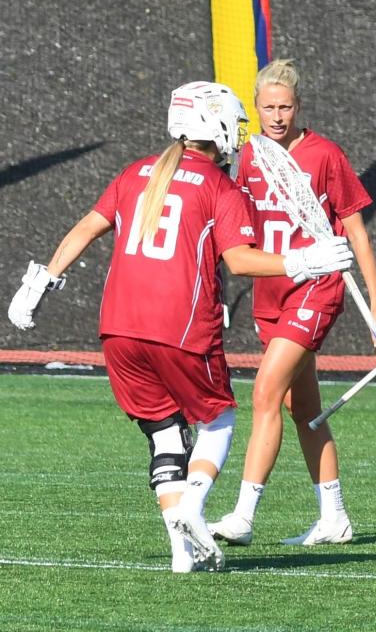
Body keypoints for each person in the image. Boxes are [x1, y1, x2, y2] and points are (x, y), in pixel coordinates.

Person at [6, 82, 352, 572]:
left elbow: (87, 226)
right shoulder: (218, 186)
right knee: (219, 422)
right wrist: (304, 259)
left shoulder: (135, 173)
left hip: (118, 329)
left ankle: (180, 554)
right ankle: (194, 504)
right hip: (181, 327)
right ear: (217, 125)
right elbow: (240, 262)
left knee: (166, 437)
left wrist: (42, 281)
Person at [210, 59, 376, 547]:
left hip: (317, 288)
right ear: (255, 107)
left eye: (285, 106)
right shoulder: (247, 156)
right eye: (268, 107)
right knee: (302, 406)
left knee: (264, 394)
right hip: (273, 290)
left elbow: (356, 230)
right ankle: (334, 516)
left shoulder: (325, 154)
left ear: (299, 106)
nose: (276, 116)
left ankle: (243, 516)